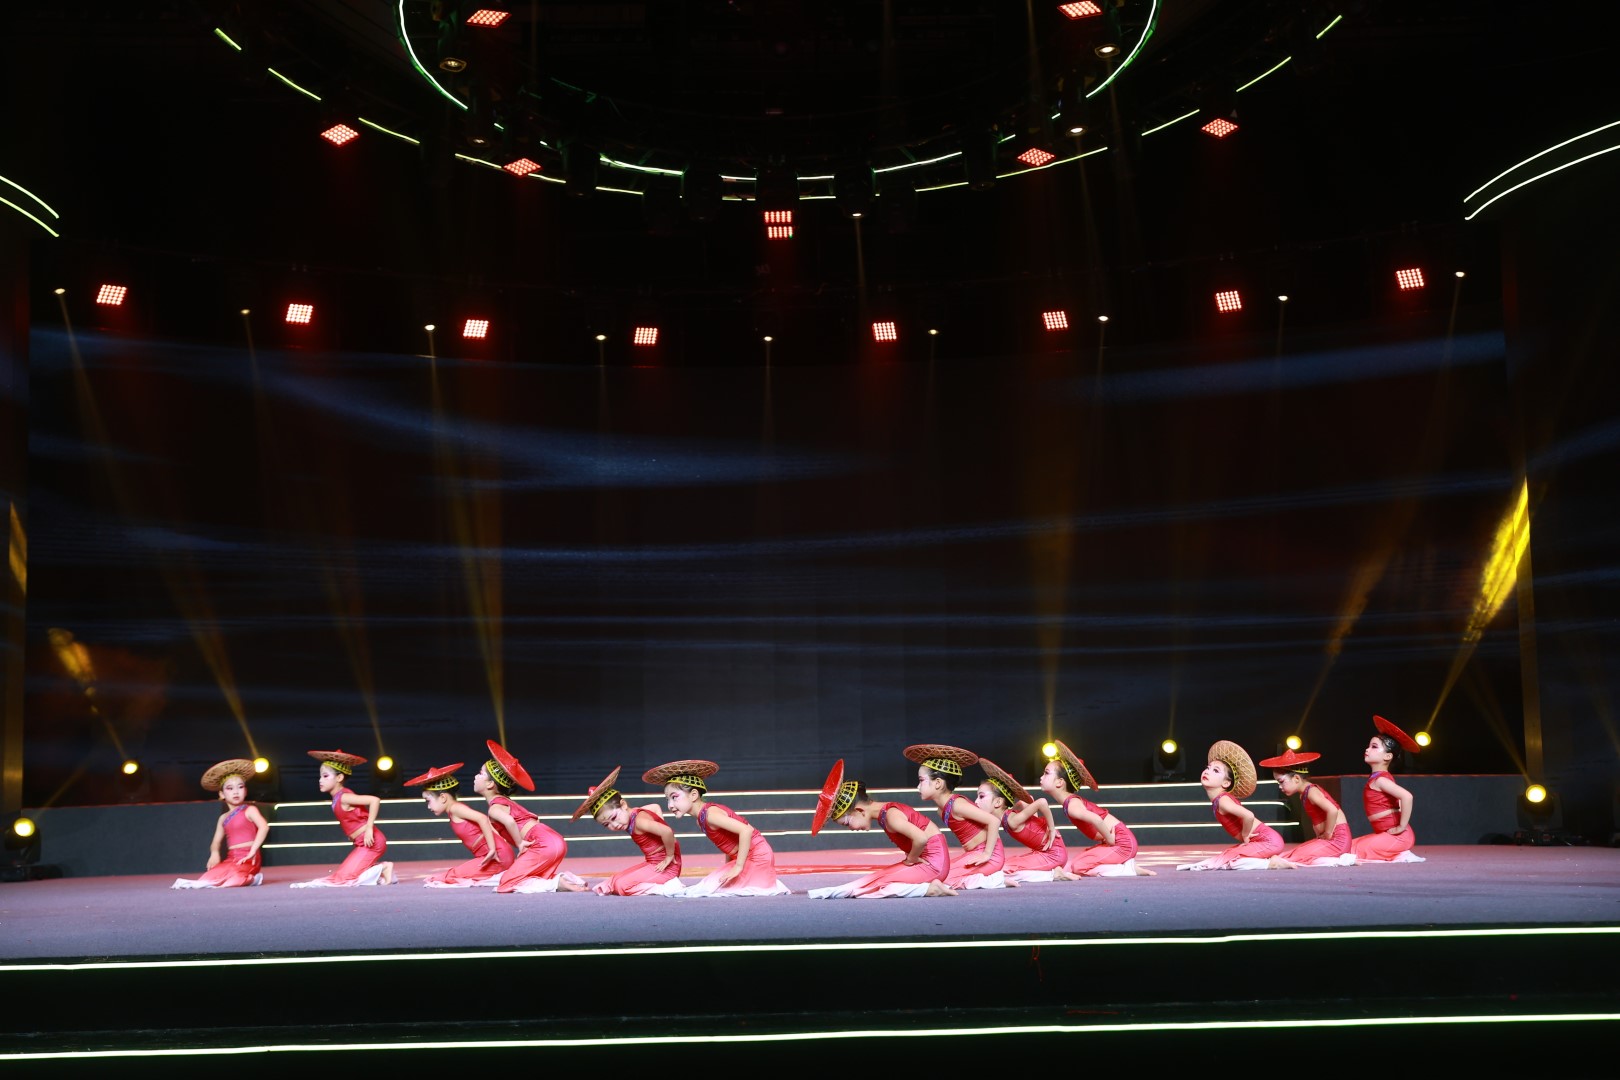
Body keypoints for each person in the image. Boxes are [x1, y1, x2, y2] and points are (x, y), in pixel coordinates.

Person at [806, 759, 955, 899]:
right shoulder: (886, 812)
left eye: (847, 823)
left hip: (933, 865)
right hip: (931, 862)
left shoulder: (891, 815)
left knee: (878, 887)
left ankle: (930, 889)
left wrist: (912, 859)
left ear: (859, 811)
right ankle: (828, 892)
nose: (850, 828)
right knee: (873, 879)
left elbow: (921, 838)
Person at [642, 759, 790, 896]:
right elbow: (731, 844)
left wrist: (738, 867)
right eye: (667, 799)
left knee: (708, 890)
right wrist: (730, 865)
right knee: (710, 886)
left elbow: (746, 830)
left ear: (693, 795)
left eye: (674, 797)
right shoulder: (702, 819)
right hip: (746, 858)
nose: (670, 805)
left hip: (758, 857)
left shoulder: (710, 815)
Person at [478, 740, 586, 893]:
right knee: (530, 874)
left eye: (480, 773)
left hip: (542, 843)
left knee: (506, 883)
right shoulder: (508, 803)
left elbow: (510, 821)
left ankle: (558, 882)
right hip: (553, 839)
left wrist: (520, 843)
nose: (475, 776)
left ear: (490, 784)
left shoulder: (495, 808)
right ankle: (565, 881)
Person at [1039, 740, 1153, 878]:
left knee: (1079, 867)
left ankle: (1128, 868)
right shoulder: (1070, 802)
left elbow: (1096, 819)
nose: (1041, 777)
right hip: (1119, 841)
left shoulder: (1072, 805)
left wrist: (1110, 839)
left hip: (1122, 844)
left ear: (1059, 782)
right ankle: (1124, 865)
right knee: (1076, 864)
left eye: (1046, 773)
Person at [905, 743, 1010, 889]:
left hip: (990, 857)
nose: (918, 786)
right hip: (975, 854)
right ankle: (988, 877)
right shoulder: (941, 810)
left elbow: (993, 821)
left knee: (938, 879)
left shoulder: (956, 804)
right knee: (934, 873)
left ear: (938, 783)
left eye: (921, 780)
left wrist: (987, 854)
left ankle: (994, 879)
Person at [574, 766, 685, 896]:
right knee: (614, 881)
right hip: (654, 863)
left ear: (623, 805)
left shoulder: (639, 821)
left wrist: (669, 856)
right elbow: (655, 807)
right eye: (606, 824)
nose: (614, 825)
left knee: (622, 887)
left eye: (614, 818)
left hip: (667, 867)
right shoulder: (634, 813)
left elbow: (667, 831)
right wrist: (658, 824)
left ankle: (668, 887)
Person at [290, 750, 394, 887]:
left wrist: (369, 828)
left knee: (345, 879)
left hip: (372, 842)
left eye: (325, 776)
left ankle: (384, 868)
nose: (320, 780)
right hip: (362, 842)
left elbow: (374, 800)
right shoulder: (337, 798)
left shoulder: (344, 797)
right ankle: (380, 871)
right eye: (320, 776)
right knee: (339, 876)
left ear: (339, 778)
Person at [1176, 740, 1284, 871]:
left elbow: (1249, 815)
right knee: (1225, 856)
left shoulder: (1223, 800)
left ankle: (1271, 863)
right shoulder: (1220, 799)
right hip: (1266, 841)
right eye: (1208, 768)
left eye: (1215, 770)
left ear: (1226, 783)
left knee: (1229, 861)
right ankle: (1270, 860)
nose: (1208, 771)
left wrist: (1245, 836)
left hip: (1268, 841)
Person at [406, 762, 514, 887]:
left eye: (428, 801)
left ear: (443, 797)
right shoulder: (453, 810)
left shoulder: (455, 808)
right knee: (449, 876)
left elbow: (483, 818)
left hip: (497, 858)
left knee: (448, 877)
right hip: (497, 856)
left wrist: (492, 849)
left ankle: (501, 874)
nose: (428, 806)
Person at [171, 758, 269, 889]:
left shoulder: (250, 810)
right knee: (206, 878)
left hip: (249, 857)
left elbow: (264, 827)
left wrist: (253, 850)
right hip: (232, 858)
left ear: (245, 791)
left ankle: (252, 879)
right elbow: (216, 842)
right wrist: (215, 853)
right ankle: (239, 876)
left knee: (233, 880)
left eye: (240, 787)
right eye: (230, 788)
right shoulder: (223, 818)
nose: (236, 791)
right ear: (222, 794)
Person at [1259, 748, 1354, 868]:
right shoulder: (1304, 794)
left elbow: (1332, 810)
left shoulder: (1311, 791)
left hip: (1338, 841)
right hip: (1331, 840)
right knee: (1293, 852)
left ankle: (1342, 858)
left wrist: (1328, 833)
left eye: (1281, 782)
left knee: (1297, 856)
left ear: (1296, 778)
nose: (1280, 786)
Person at [976, 757, 1067, 883]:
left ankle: (1053, 874)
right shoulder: (1009, 817)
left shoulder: (1012, 820)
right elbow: (1027, 801)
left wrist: (1051, 829)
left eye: (981, 797)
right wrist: (1018, 806)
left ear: (998, 802)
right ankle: (1053, 870)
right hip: (1046, 851)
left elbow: (1042, 802)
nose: (976, 802)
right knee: (1005, 865)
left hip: (1053, 855)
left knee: (1005, 869)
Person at [1350, 716, 1425, 863]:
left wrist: (1401, 827)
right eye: (1369, 746)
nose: (1367, 749)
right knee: (1346, 847)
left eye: (1374, 747)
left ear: (1388, 756)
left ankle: (1400, 852)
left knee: (1348, 852)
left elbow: (1407, 796)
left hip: (1398, 837)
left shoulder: (1381, 780)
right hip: (1388, 836)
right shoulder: (1380, 777)